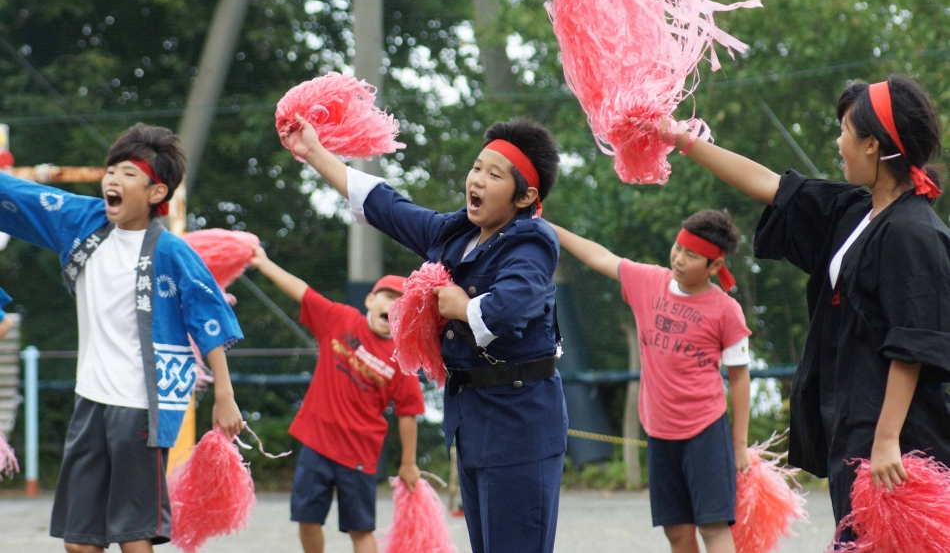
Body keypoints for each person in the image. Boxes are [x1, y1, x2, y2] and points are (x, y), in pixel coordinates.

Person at [668, 75, 950, 538]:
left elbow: (913, 344)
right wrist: (679, 137)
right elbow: (769, 184)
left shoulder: (913, 231)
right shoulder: (858, 210)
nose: (838, 143)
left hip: (895, 442)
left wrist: (886, 440)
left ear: (873, 146)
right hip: (853, 426)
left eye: (844, 131)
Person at [280, 114, 567, 553]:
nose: (478, 179)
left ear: (525, 195)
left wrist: (464, 307)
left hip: (521, 427)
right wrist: (314, 152)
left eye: (494, 174)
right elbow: (387, 206)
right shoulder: (457, 232)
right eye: (477, 167)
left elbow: (514, 302)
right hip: (473, 423)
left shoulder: (532, 241)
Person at [0, 123, 244, 553]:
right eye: (111, 170)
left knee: (134, 538)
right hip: (89, 400)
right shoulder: (82, 222)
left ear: (156, 193)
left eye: (128, 174)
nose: (112, 179)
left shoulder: (172, 251)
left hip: (141, 410)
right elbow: (21, 197)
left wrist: (224, 394)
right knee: (80, 543)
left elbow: (209, 318)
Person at [553, 211, 751, 553]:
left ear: (715, 267)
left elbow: (740, 377)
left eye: (691, 256)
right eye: (678, 248)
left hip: (705, 430)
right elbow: (600, 256)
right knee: (676, 532)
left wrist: (739, 445)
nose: (679, 258)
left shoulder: (726, 309)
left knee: (713, 527)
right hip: (659, 430)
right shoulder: (648, 281)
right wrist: (549, 228)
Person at [249, 247, 424, 553]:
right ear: (370, 300)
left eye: (401, 302)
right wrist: (264, 263)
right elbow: (303, 292)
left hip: (359, 454)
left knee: (361, 529)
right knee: (307, 521)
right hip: (316, 443)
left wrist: (408, 464)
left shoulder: (403, 358)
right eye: (387, 296)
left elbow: (409, 413)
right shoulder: (340, 318)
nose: (393, 304)